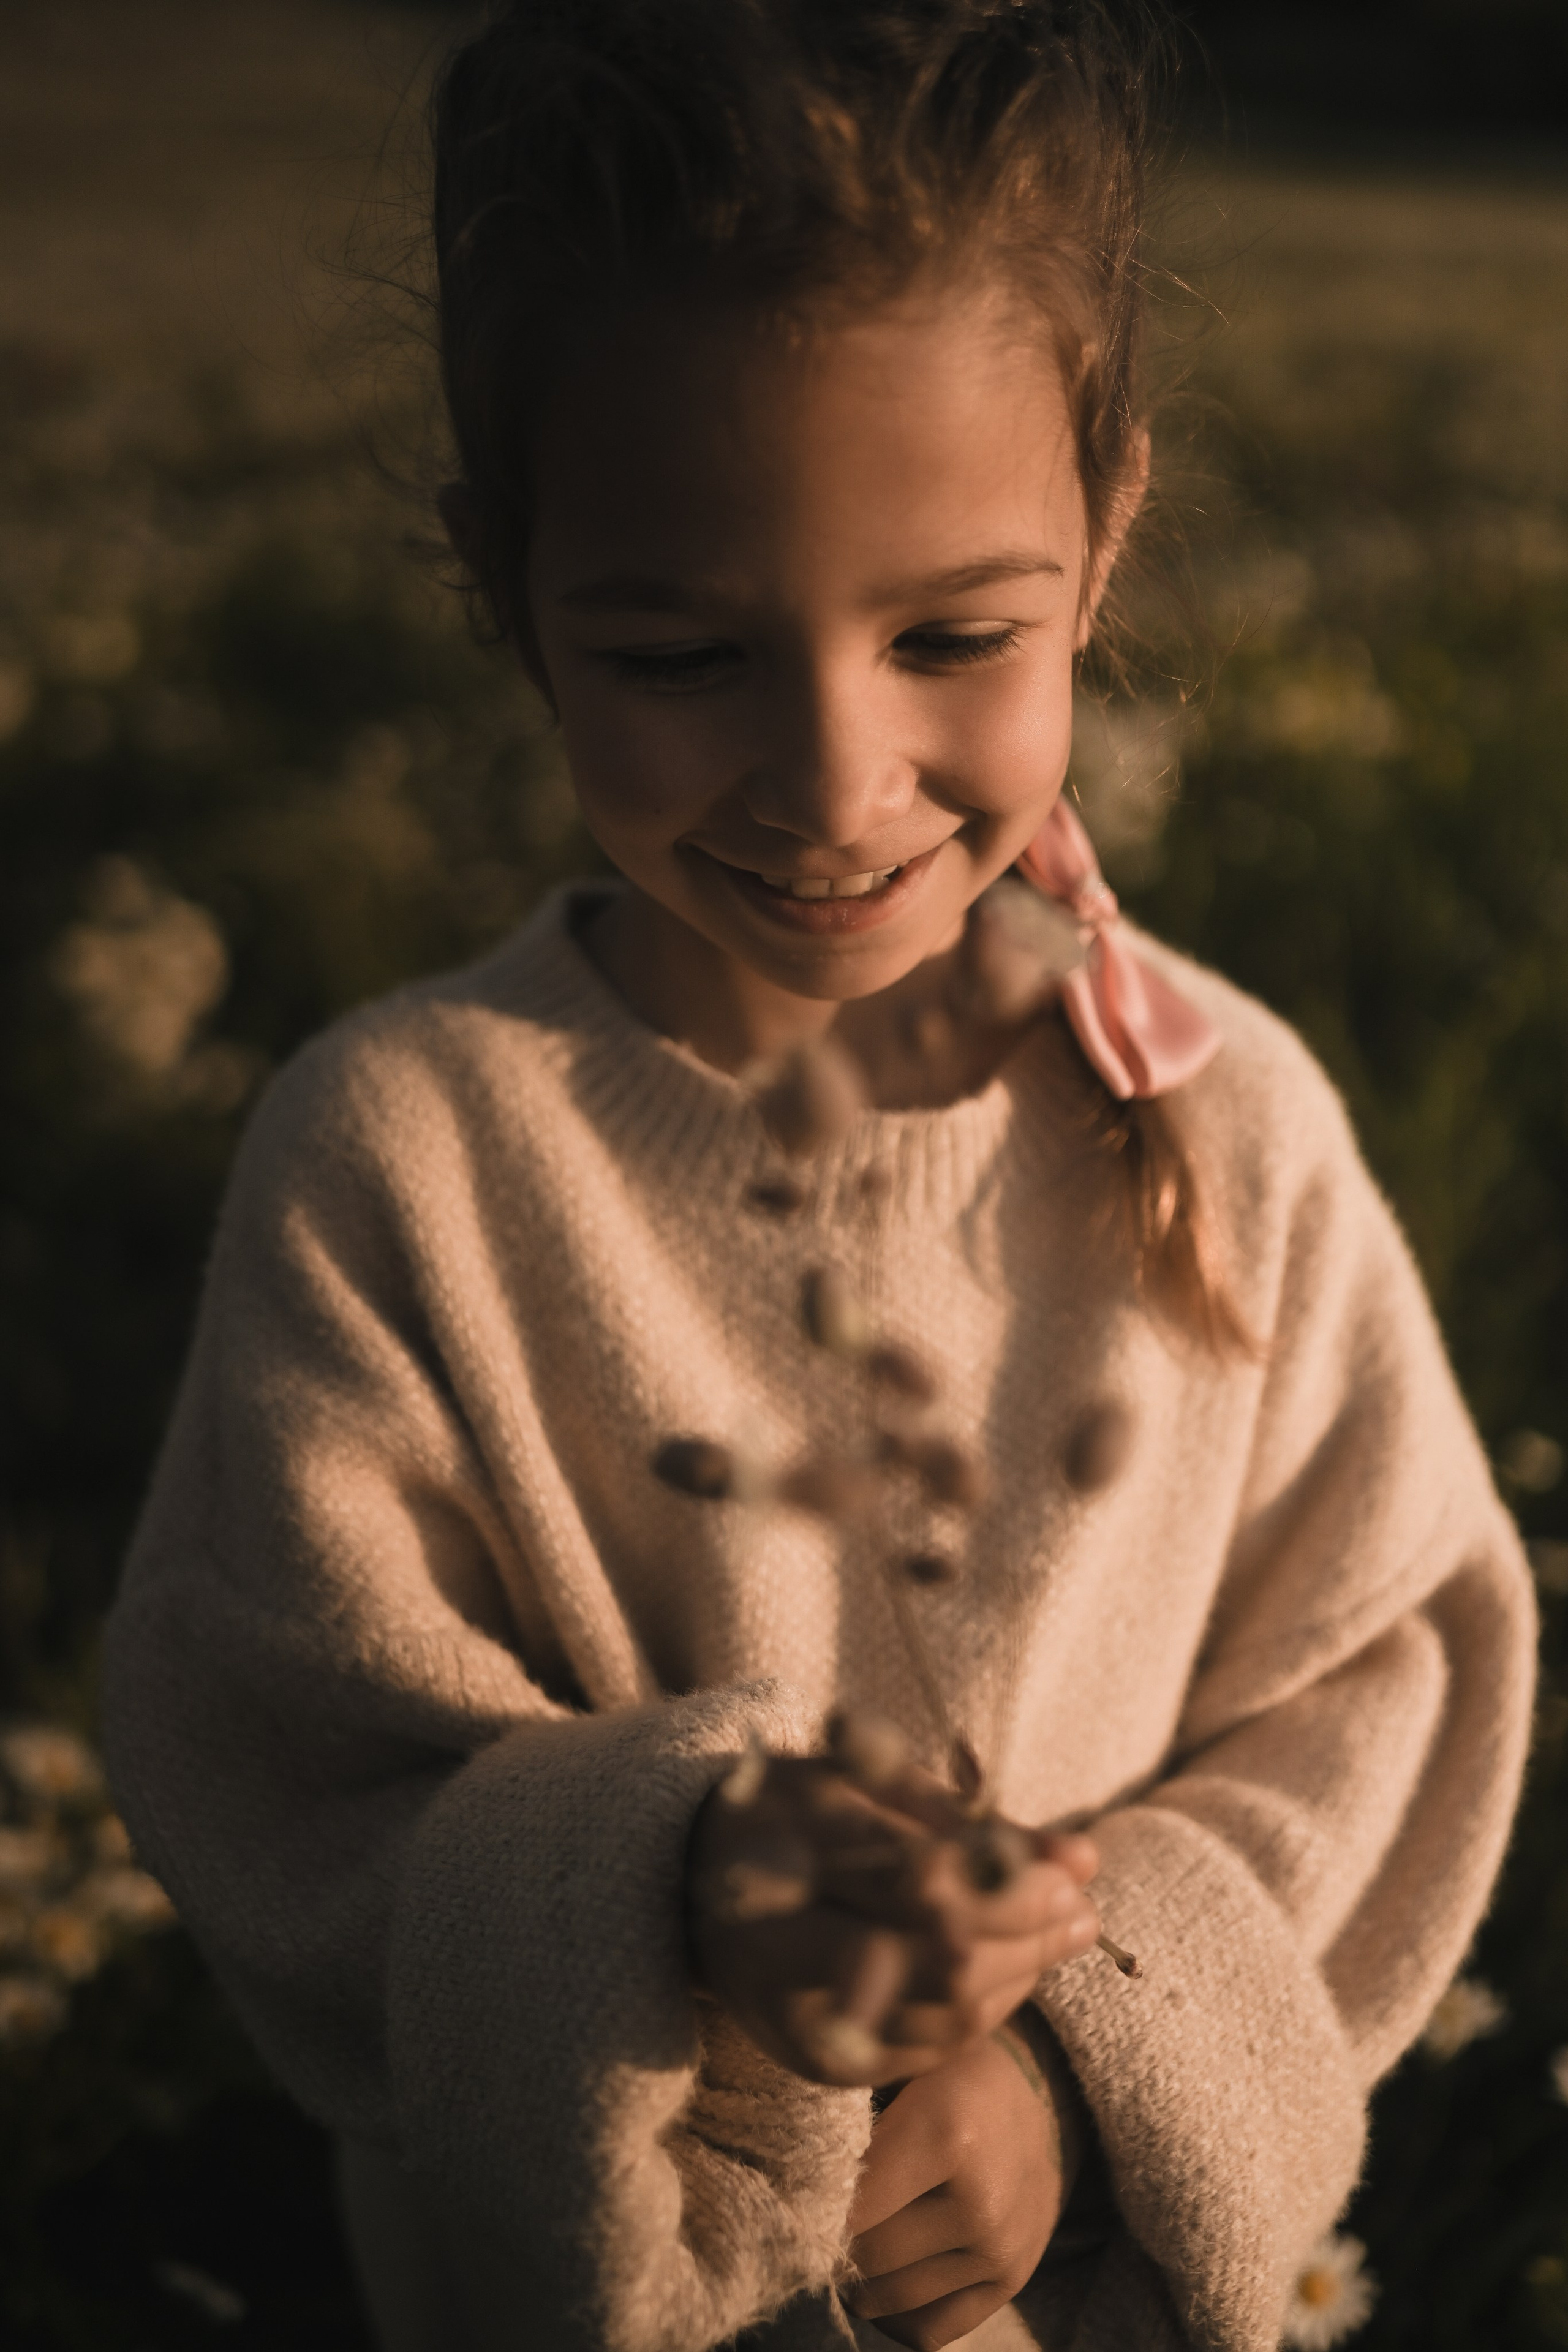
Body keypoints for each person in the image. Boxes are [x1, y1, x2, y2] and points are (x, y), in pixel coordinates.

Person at [102, 4, 1536, 2348]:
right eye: (677, 649)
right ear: (504, 581)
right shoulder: (406, 1156)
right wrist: (689, 1901)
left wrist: (1082, 2056)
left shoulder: (1228, 1113)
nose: (836, 778)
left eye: (956, 636)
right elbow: (280, 1774)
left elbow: (1390, 1669)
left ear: (1112, 535)